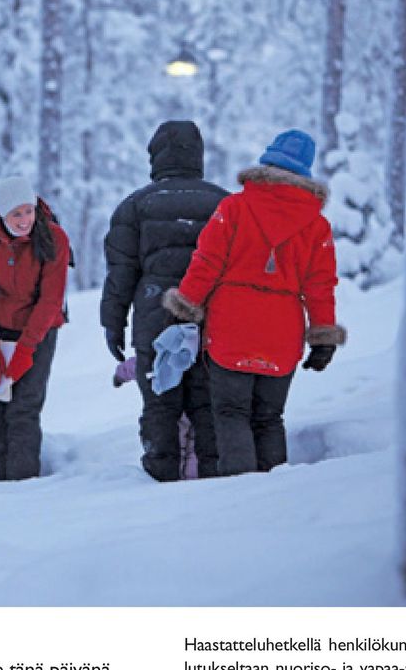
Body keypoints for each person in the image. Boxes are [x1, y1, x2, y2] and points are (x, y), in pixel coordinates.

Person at [164, 129, 345, 476]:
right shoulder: (316, 225)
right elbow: (321, 285)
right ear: (305, 171)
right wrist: (322, 336)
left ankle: (240, 494)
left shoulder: (234, 208)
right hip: (282, 333)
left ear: (267, 161)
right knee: (269, 418)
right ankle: (272, 493)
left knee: (231, 413)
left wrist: (184, 307)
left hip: (232, 327)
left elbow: (206, 263)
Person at [101, 120, 227, 481]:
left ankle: (160, 476)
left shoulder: (135, 206)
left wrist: (113, 323)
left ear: (155, 157)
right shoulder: (224, 203)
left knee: (160, 401)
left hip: (154, 315)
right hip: (212, 316)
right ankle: (214, 479)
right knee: (207, 402)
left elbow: (120, 275)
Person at [0, 176, 70, 481]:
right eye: (17, 214)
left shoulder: (54, 238)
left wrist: (27, 348)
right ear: (2, 214)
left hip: (38, 332)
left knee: (23, 411)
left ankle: (23, 489)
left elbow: (51, 299)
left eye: (29, 211)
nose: (25, 220)